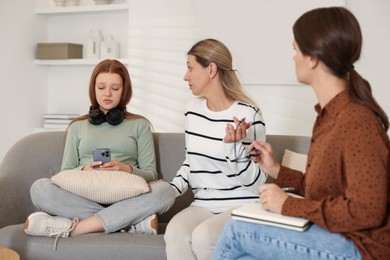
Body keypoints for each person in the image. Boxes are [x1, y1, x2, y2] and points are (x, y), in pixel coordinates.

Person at [213, 7, 390, 260]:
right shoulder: (328, 116)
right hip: (336, 236)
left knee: (237, 231)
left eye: (295, 49)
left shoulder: (357, 120)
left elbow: (367, 210)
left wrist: (287, 204)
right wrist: (276, 170)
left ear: (313, 58)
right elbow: (324, 192)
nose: (293, 57)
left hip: (361, 247)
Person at [24, 59, 176, 249]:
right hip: (83, 197)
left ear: (124, 91)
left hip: (127, 197)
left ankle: (77, 227)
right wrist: (84, 169)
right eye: (101, 87)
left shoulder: (140, 125)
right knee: (40, 189)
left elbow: (151, 174)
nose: (107, 93)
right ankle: (129, 224)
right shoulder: (77, 127)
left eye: (115, 88)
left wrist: (126, 169)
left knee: (166, 191)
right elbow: (65, 173)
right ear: (93, 88)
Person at [164, 38, 268, 260]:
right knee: (174, 232)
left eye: (190, 68)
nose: (185, 76)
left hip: (241, 205)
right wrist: (169, 192)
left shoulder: (249, 115)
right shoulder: (192, 110)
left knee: (204, 236)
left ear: (211, 69)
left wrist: (234, 149)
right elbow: (190, 160)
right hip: (203, 204)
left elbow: (257, 181)